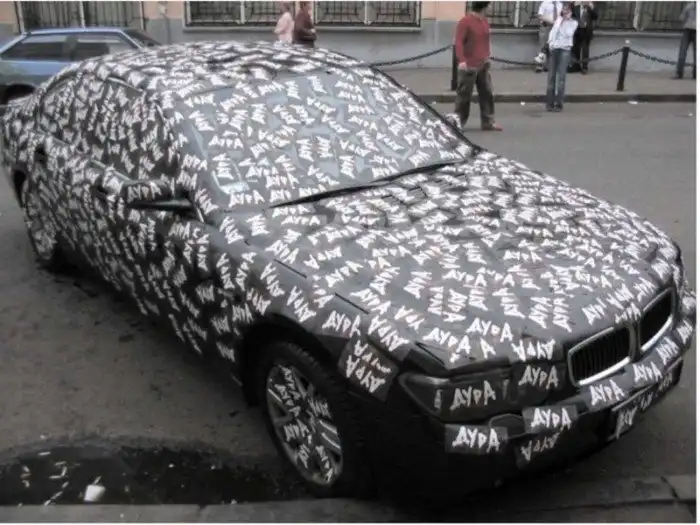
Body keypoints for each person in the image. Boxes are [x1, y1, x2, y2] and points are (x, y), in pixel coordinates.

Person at [453, 2, 502, 132]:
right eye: (488, 5)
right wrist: (461, 60)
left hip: (483, 64)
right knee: (464, 96)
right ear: (483, 7)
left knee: (487, 93)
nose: (489, 8)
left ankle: (488, 122)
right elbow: (458, 42)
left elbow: (485, 41)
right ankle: (458, 122)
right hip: (469, 65)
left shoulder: (484, 21)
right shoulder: (465, 21)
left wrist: (487, 56)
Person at [545, 2, 578, 112]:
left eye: (567, 10)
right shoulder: (558, 19)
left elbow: (568, 34)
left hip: (565, 50)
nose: (565, 11)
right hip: (554, 49)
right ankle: (549, 103)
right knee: (551, 77)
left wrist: (565, 22)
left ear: (571, 11)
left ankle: (559, 103)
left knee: (561, 78)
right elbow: (553, 33)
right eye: (564, 9)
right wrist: (550, 44)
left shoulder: (573, 23)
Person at [536, 0, 563, 73]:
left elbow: (561, 16)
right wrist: (551, 21)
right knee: (542, 45)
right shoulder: (545, 3)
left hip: (555, 28)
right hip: (546, 26)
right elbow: (540, 15)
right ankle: (540, 65)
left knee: (552, 46)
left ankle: (549, 65)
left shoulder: (560, 4)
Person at [571, 1, 598, 74]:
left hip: (586, 32)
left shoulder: (590, 9)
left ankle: (584, 67)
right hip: (577, 31)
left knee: (585, 50)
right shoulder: (576, 8)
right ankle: (576, 66)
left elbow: (595, 17)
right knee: (576, 49)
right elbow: (572, 17)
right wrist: (577, 22)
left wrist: (591, 8)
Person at [675, 2, 696, 80]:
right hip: (687, 30)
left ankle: (695, 74)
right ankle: (679, 73)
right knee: (682, 51)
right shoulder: (689, 6)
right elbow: (682, 17)